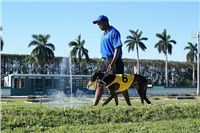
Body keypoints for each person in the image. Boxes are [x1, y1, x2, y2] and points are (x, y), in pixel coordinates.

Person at [90, 15, 131, 106]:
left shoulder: (114, 32)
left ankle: (94, 105)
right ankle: (129, 105)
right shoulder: (103, 35)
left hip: (114, 62)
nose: (98, 25)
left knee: (105, 83)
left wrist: (112, 63)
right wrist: (103, 62)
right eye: (97, 24)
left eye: (99, 23)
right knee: (112, 84)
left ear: (105, 22)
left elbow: (117, 48)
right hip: (105, 62)